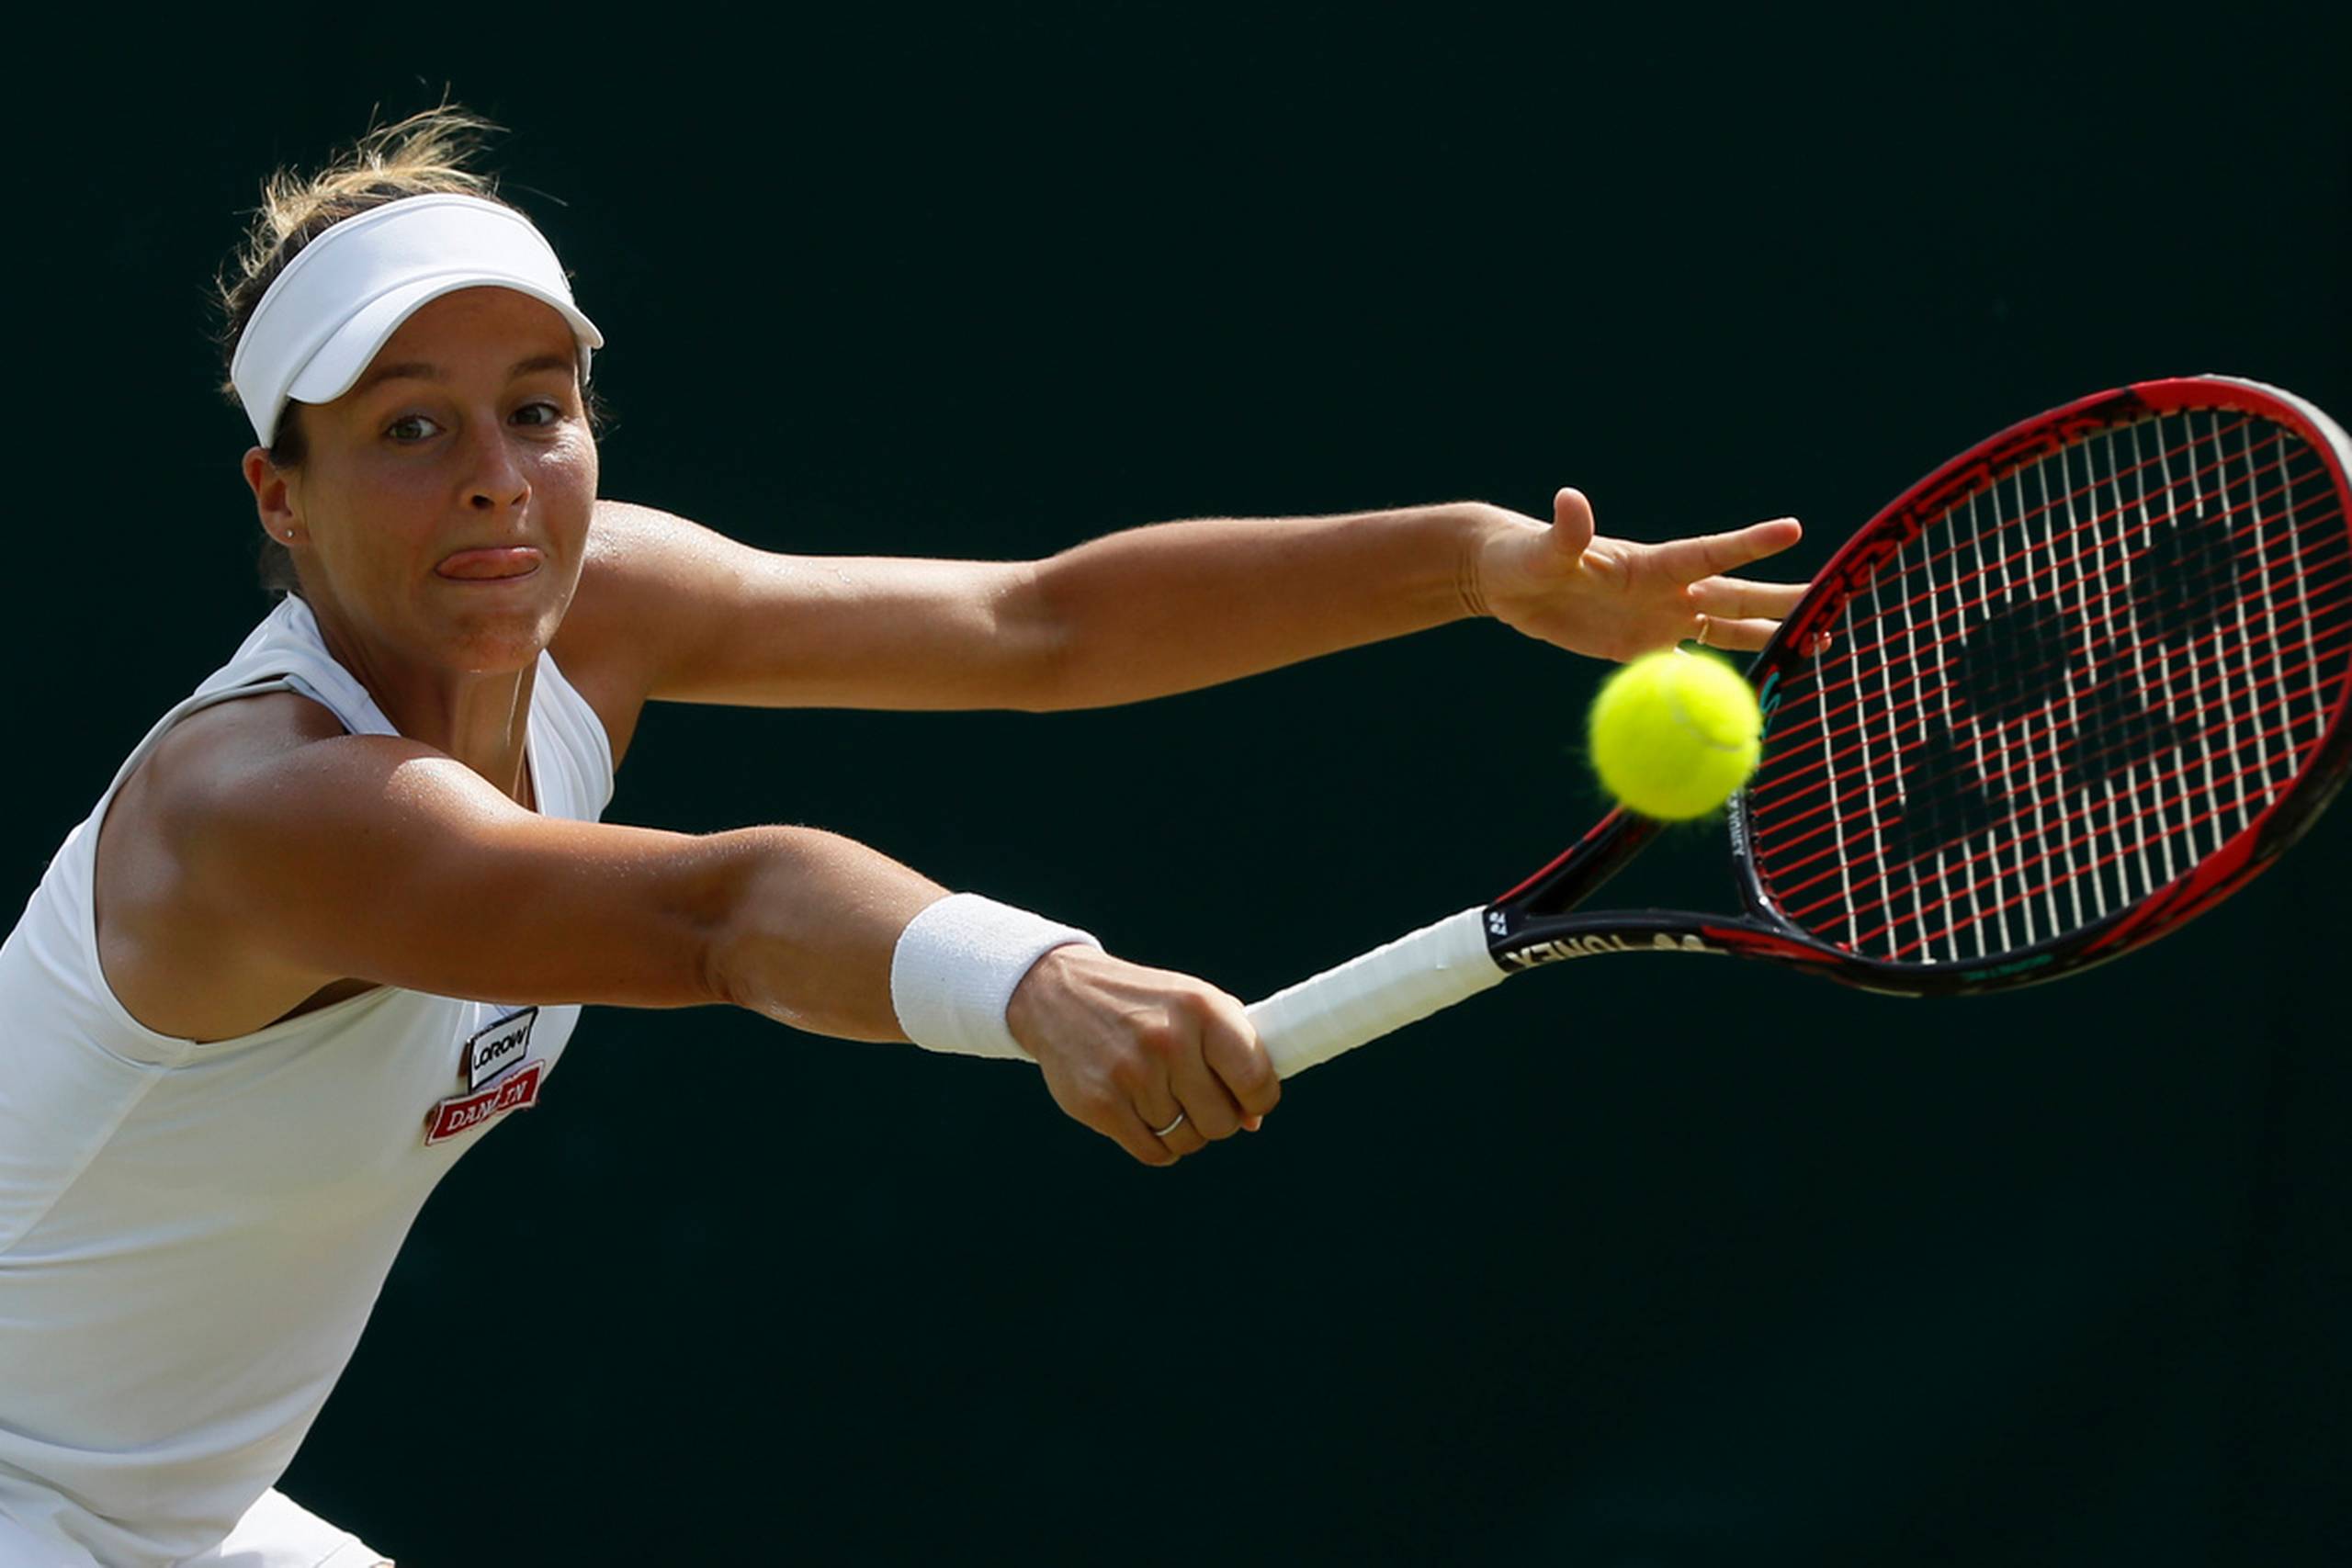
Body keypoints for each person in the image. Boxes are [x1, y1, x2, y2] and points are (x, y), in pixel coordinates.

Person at [0, 107, 1806, 1568]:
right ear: (278, 492)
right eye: (410, 427)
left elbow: (1035, 626)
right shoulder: (264, 807)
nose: (498, 472)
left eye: (538, 409)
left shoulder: (598, 603)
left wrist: (1465, 562)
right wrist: (1037, 977)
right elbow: (726, 911)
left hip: (163, 1516)